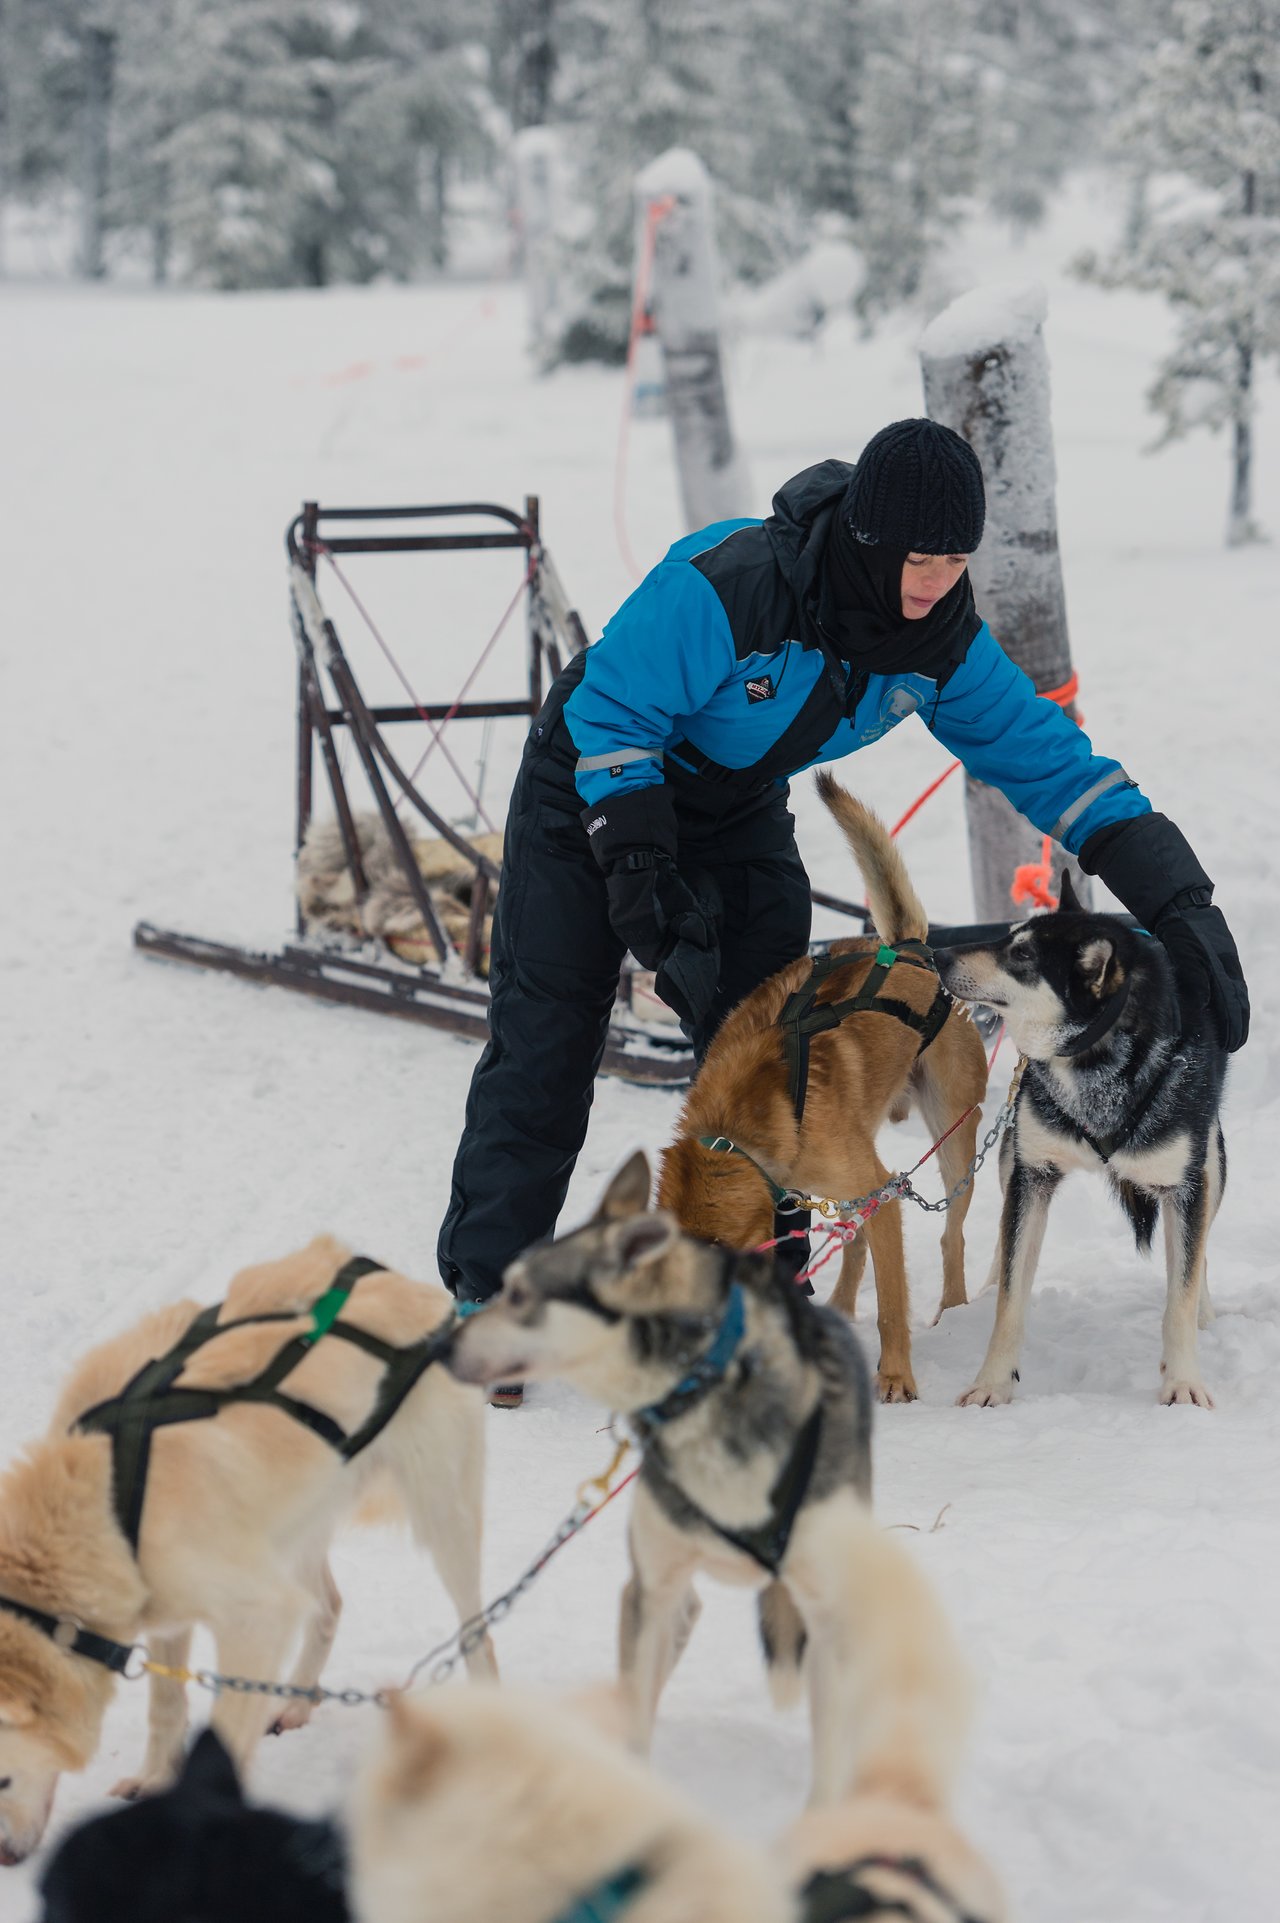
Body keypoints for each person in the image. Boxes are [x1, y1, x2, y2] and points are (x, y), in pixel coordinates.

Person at [437, 420, 1249, 1403]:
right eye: (921, 562)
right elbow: (611, 716)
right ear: (867, 543)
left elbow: (1053, 767)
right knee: (548, 1034)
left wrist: (1180, 896)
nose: (939, 583)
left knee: (775, 1054)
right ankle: (491, 1296)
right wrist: (647, 895)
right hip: (595, 788)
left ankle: (758, 1295)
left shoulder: (937, 644)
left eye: (957, 563)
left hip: (733, 805)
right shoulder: (728, 585)